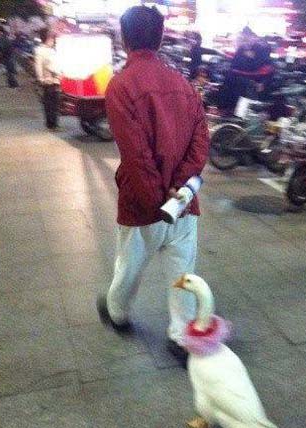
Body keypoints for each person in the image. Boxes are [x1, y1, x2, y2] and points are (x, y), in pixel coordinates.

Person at [98, 6, 209, 366]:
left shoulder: (121, 86)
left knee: (129, 265)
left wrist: (156, 201)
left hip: (141, 204)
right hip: (183, 203)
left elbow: (136, 154)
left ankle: (117, 313)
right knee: (182, 272)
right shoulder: (184, 85)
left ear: (124, 38)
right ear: (160, 39)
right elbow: (200, 143)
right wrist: (178, 192)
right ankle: (181, 337)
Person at [34, 28, 60, 130]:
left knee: (55, 103)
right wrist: (41, 79)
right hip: (47, 80)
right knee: (49, 104)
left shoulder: (52, 50)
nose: (53, 41)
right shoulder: (40, 50)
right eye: (52, 39)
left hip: (55, 80)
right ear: (47, 39)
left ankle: (54, 123)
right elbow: (38, 66)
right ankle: (51, 124)